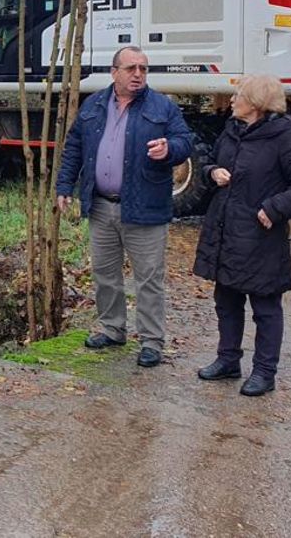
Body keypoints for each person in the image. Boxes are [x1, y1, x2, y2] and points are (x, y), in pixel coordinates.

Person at [56, 46, 195, 367]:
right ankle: (112, 328)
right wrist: (64, 185)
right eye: (131, 68)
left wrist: (169, 148)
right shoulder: (94, 104)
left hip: (145, 207)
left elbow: (184, 141)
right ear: (114, 72)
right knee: (105, 273)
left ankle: (151, 341)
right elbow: (74, 146)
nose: (138, 74)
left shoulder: (162, 106)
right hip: (101, 206)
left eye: (143, 69)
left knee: (148, 278)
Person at [193, 75, 291, 396]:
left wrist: (274, 208)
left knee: (265, 307)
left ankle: (264, 372)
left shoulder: (284, 138)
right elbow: (209, 162)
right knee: (227, 301)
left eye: (239, 95)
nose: (232, 100)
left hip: (262, 238)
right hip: (227, 233)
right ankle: (228, 360)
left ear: (257, 103)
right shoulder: (231, 131)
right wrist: (211, 172)